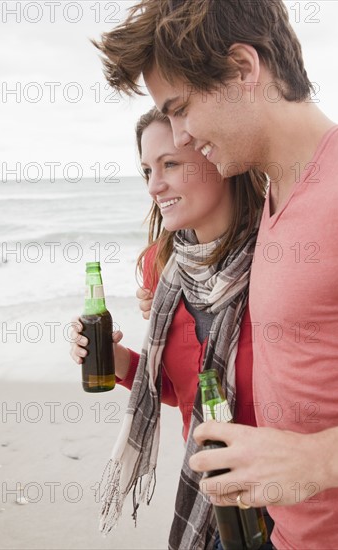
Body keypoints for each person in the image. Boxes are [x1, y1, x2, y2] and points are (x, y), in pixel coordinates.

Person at [92, 1, 338, 549]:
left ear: (241, 68)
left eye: (181, 108)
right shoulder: (276, 197)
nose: (180, 136)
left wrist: (314, 458)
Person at [70, 106, 271, 549]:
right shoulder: (160, 268)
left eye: (171, 164)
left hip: (288, 498)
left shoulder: (279, 255)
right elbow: (185, 390)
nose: (154, 186)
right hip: (211, 494)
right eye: (146, 170)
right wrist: (119, 362)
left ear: (219, 157)